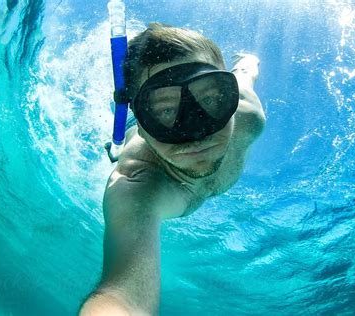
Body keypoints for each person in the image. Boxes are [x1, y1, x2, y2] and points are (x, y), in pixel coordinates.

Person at [79, 22, 265, 316]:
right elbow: (122, 297)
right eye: (165, 110)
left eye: (211, 99)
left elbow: (243, 76)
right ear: (140, 120)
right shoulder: (138, 182)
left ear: (228, 94)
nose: (195, 133)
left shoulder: (247, 117)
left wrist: (249, 62)